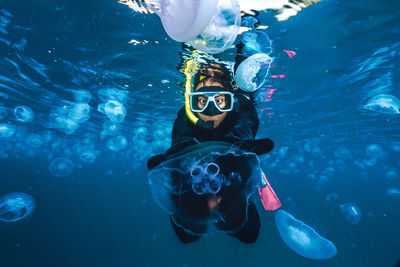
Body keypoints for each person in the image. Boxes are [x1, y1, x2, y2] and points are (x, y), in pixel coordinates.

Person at [147, 59, 275, 244]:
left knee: (247, 233)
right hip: (196, 172)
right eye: (201, 101)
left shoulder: (243, 108)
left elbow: (245, 124)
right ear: (192, 102)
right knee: (188, 234)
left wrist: (237, 145)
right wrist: (175, 155)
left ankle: (236, 201)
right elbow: (180, 139)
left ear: (232, 99)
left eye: (220, 100)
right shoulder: (186, 115)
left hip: (231, 168)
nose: (211, 110)